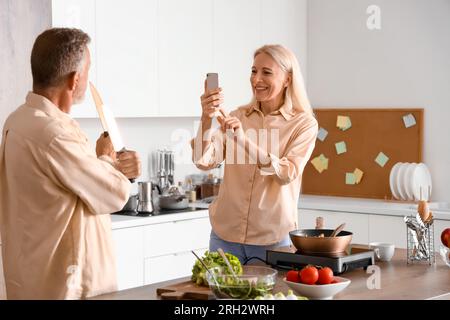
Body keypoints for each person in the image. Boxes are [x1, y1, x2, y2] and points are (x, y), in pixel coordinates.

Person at [0, 28, 141, 299]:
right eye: (88, 70)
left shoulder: (18, 121)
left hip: (34, 279)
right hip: (69, 286)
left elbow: (71, 186)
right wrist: (108, 160)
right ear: (75, 79)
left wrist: (107, 164)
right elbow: (113, 194)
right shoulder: (53, 133)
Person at [192, 44, 318, 264]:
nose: (256, 79)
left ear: (287, 79)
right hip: (224, 237)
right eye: (253, 71)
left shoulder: (303, 124)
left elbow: (286, 173)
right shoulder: (237, 115)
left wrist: (243, 141)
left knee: (267, 299)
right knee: (220, 298)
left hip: (271, 239)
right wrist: (205, 118)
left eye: (266, 72)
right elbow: (203, 161)